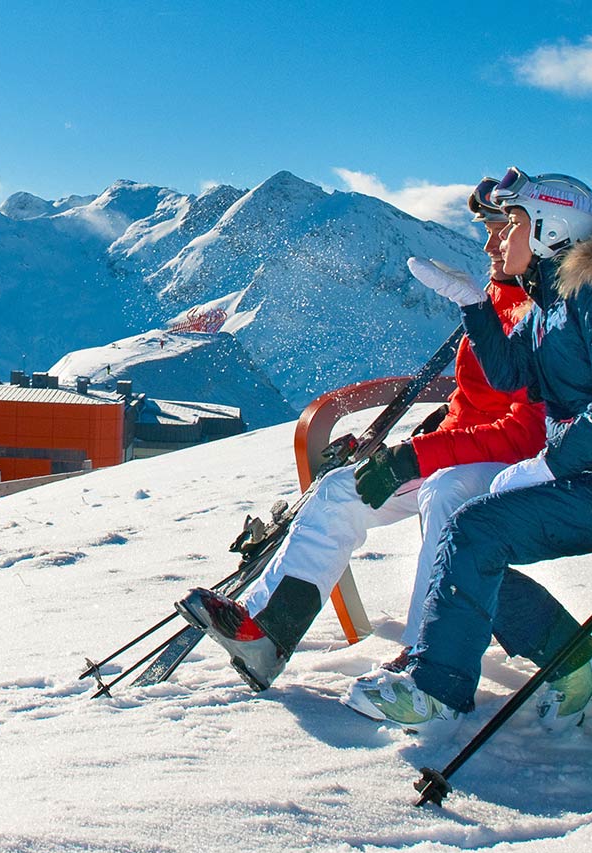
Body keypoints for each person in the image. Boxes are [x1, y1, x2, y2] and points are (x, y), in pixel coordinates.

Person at [176, 188, 546, 704]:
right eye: (490, 230)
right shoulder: (499, 298)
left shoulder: (545, 313)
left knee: (445, 494)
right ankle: (268, 632)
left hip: (513, 468)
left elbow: (526, 430)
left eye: (504, 230)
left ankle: (425, 657)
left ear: (549, 235)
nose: (490, 246)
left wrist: (423, 455)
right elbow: (474, 402)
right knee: (338, 492)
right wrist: (420, 441)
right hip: (464, 452)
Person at [362, 169, 592, 735]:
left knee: (474, 531)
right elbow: (511, 372)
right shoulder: (553, 302)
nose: (499, 237)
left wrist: (549, 465)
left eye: (512, 222)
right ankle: (579, 666)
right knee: (467, 536)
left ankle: (435, 689)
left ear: (549, 229)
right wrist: (474, 306)